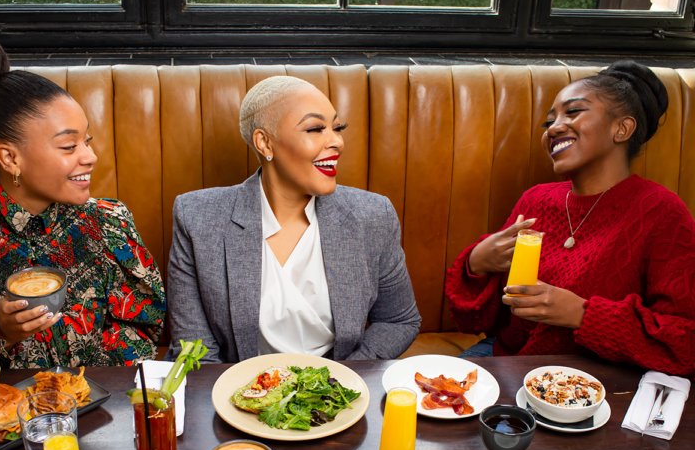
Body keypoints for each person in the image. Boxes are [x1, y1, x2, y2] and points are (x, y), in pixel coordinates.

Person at [0, 39, 166, 371]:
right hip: (0, 418)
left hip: (97, 411)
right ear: (10, 158)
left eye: (87, 140)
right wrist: (1, 335)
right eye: (68, 145)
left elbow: (145, 325)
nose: (90, 157)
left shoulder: (109, 221)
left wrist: (78, 389)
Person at [445, 61, 695, 377]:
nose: (554, 128)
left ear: (622, 128)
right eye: (549, 121)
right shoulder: (536, 199)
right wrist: (477, 264)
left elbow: (686, 343)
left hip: (595, 380)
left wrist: (581, 314)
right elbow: (476, 321)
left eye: (573, 113)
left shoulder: (662, 212)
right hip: (506, 362)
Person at [166, 76, 420, 363]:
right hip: (236, 392)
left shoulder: (373, 214)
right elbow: (195, 346)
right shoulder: (196, 216)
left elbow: (398, 320)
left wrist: (338, 383)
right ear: (264, 142)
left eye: (338, 128)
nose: (337, 141)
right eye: (315, 128)